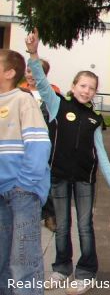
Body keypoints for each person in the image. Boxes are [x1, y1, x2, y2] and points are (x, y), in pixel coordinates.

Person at [24, 29, 110, 295]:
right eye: (83, 86)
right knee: (63, 225)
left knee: (84, 226)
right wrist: (33, 53)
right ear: (73, 86)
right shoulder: (57, 105)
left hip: (85, 180)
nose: (86, 91)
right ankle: (61, 268)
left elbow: (101, 155)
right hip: (58, 176)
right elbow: (41, 80)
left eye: (92, 88)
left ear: (95, 92)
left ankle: (86, 272)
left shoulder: (95, 119)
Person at [0, 49, 51, 295]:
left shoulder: (22, 100)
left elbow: (39, 144)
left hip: (22, 192)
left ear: (9, 73)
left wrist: (25, 184)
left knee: (23, 260)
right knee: (3, 260)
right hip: (1, 190)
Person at [19, 58, 61, 233]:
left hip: (43, 142)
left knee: (44, 176)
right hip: (22, 142)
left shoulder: (51, 93)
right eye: (28, 71)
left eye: (33, 71)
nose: (29, 75)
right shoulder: (19, 92)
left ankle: (49, 214)